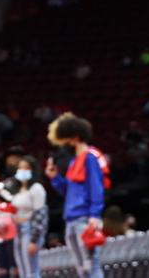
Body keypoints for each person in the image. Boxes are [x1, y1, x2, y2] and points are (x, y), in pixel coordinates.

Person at [46, 113, 108, 278]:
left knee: (92, 265)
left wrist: (95, 215)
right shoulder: (75, 161)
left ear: (75, 136)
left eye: (67, 138)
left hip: (84, 219)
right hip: (71, 220)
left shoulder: (89, 158)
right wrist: (55, 178)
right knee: (82, 268)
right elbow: (69, 191)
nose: (65, 143)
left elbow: (97, 188)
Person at [1, 157, 47, 278]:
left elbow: (41, 215)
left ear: (33, 170)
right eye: (20, 168)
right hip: (18, 230)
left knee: (31, 271)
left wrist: (34, 240)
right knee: (22, 271)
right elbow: (5, 194)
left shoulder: (36, 188)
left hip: (30, 229)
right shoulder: (18, 190)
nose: (22, 171)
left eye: (26, 168)